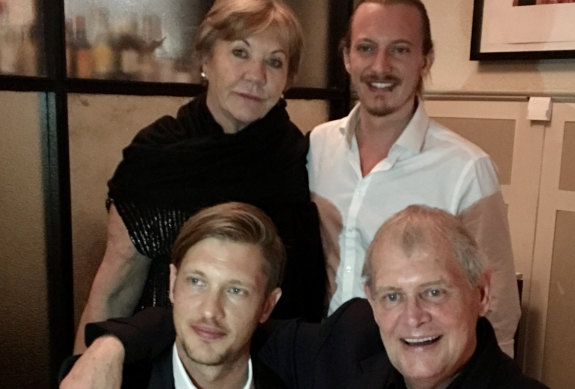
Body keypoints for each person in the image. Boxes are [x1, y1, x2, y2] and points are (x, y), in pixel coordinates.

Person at [74, 0, 327, 353]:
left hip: (276, 360)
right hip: (167, 357)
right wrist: (81, 369)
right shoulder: (157, 157)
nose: (256, 75)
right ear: (206, 58)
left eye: (274, 61)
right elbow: (115, 290)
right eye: (240, 52)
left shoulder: (302, 159)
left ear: (288, 78)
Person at [61, 205, 548, 389]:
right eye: (394, 296)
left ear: (481, 293)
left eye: (434, 292)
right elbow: (220, 327)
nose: (413, 318)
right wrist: (113, 346)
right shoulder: (351, 345)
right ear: (371, 300)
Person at [306, 0, 521, 355]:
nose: (380, 66)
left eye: (400, 50)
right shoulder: (317, 147)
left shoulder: (467, 169)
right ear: (347, 56)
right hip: (323, 365)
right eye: (366, 48)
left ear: (426, 58)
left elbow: (496, 310)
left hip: (414, 370)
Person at [62, 202, 288, 388]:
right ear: (172, 283)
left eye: (236, 291)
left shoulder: (297, 378)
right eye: (197, 282)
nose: (210, 310)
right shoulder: (100, 379)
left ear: (268, 305)